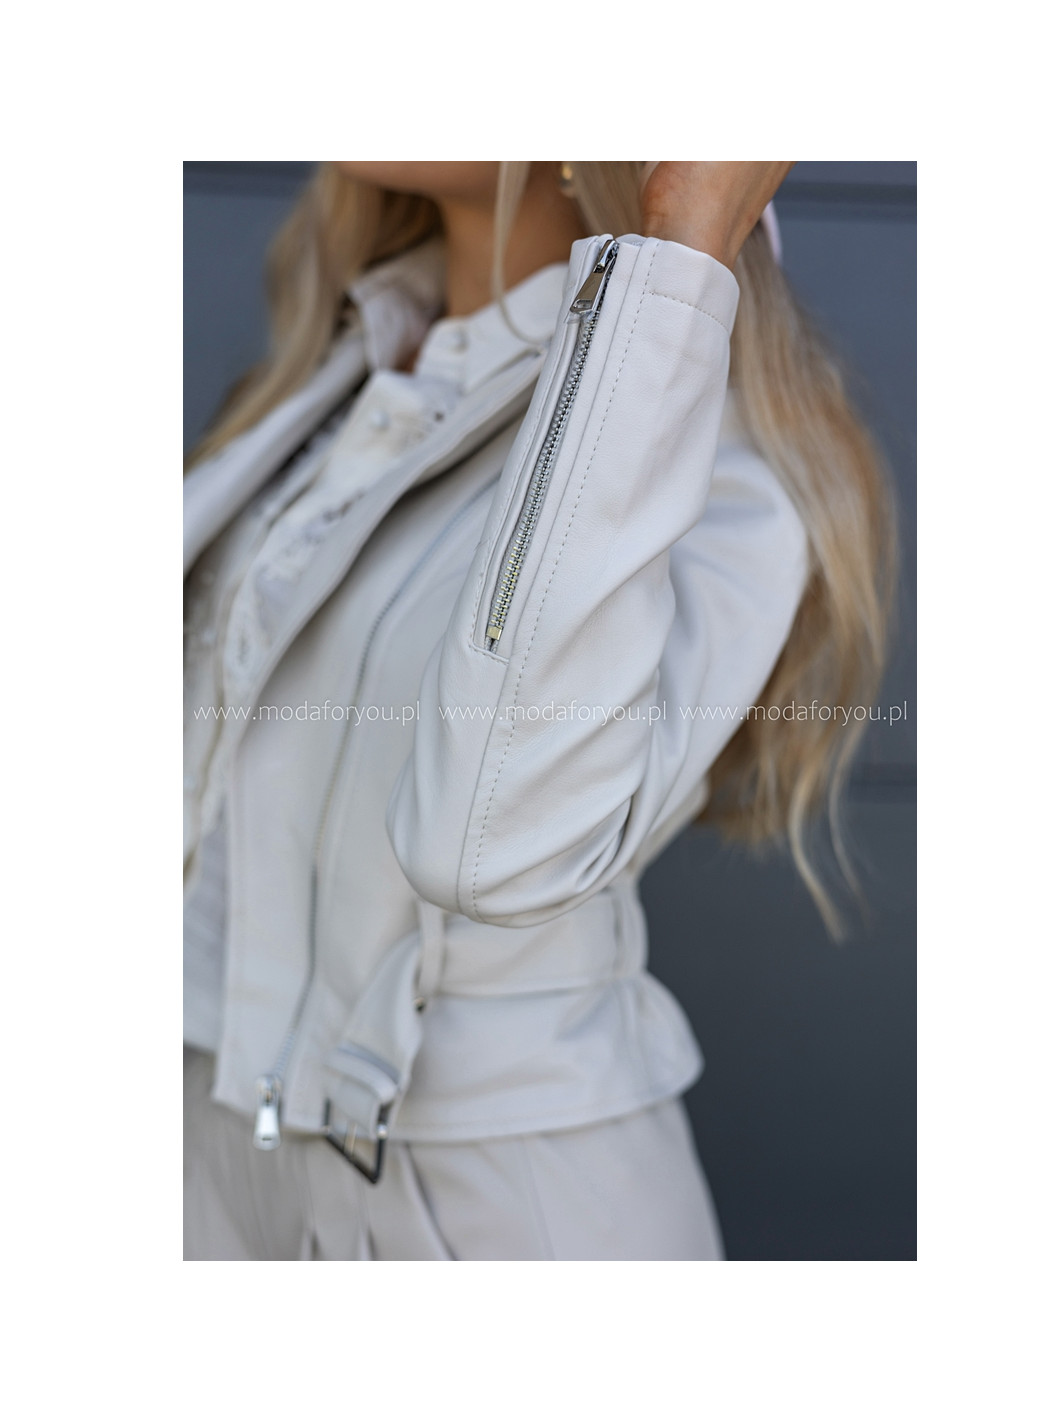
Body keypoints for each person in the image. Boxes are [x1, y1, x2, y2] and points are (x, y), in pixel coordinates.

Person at [183, 161, 895, 1261]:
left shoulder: (703, 447)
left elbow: (492, 843)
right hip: (220, 1165)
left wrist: (676, 255)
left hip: (486, 1216)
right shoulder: (341, 377)